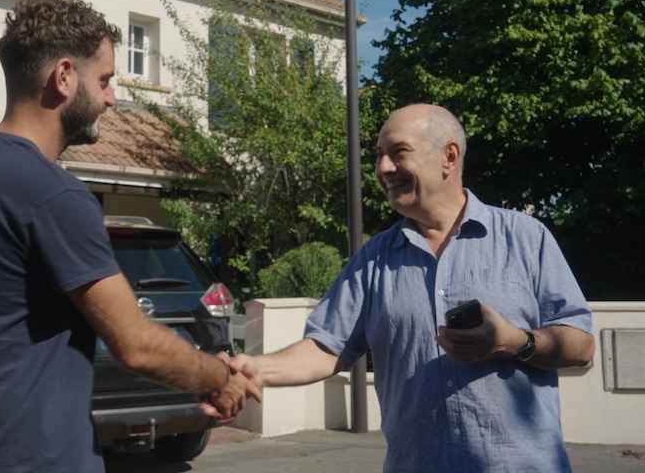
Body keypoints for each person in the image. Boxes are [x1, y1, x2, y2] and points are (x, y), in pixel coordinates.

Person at [0, 0, 259, 473]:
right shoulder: (53, 195)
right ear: (63, 77)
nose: (112, 97)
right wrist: (219, 376)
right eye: (104, 80)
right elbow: (135, 344)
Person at [229, 104, 595, 472]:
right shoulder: (373, 259)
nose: (383, 168)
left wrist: (514, 341)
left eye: (398, 153)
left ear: (448, 157)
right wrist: (255, 368)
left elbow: (580, 345)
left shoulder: (525, 238)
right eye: (379, 157)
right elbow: (326, 348)